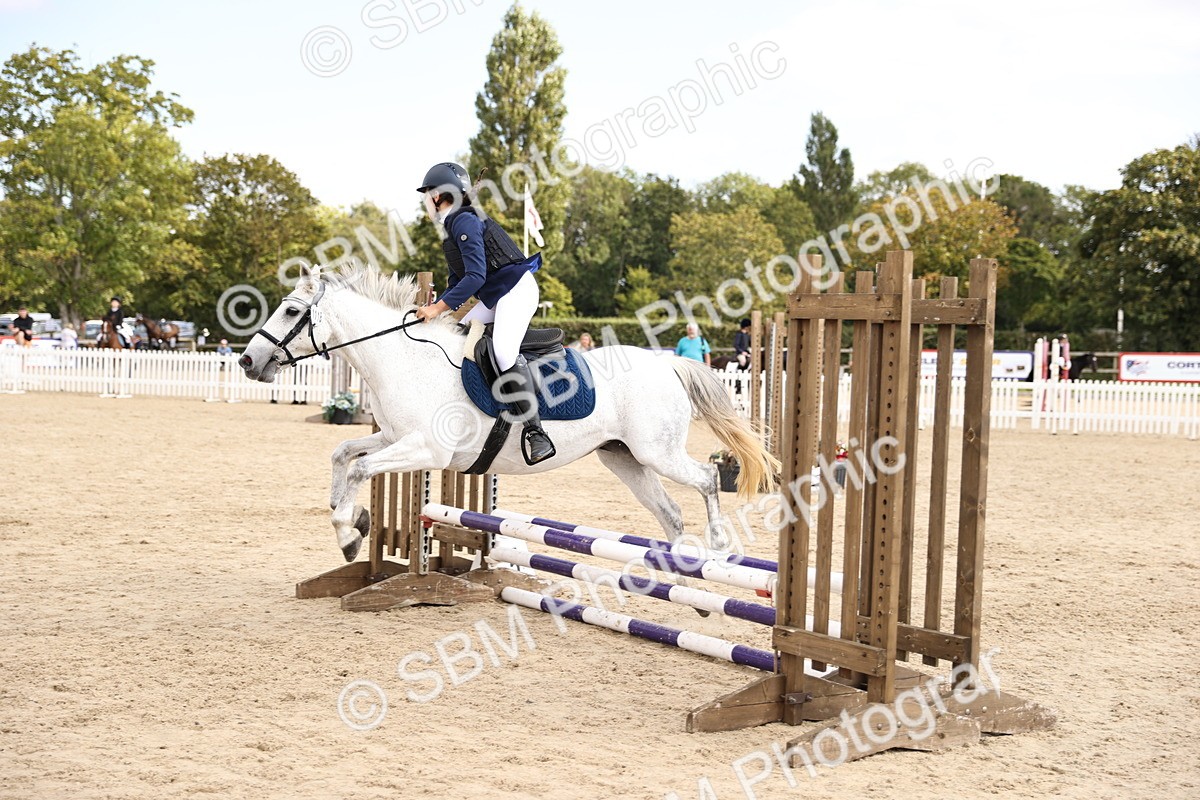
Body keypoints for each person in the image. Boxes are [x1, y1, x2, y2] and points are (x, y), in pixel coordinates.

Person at [414, 161, 555, 465]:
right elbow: (457, 280)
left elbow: (475, 278)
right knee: (458, 335)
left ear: (439, 195)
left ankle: (536, 431)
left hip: (516, 289)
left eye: (426, 194)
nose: (425, 200)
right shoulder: (452, 228)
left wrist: (436, 308)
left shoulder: (464, 222)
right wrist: (437, 314)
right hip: (497, 295)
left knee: (504, 352)